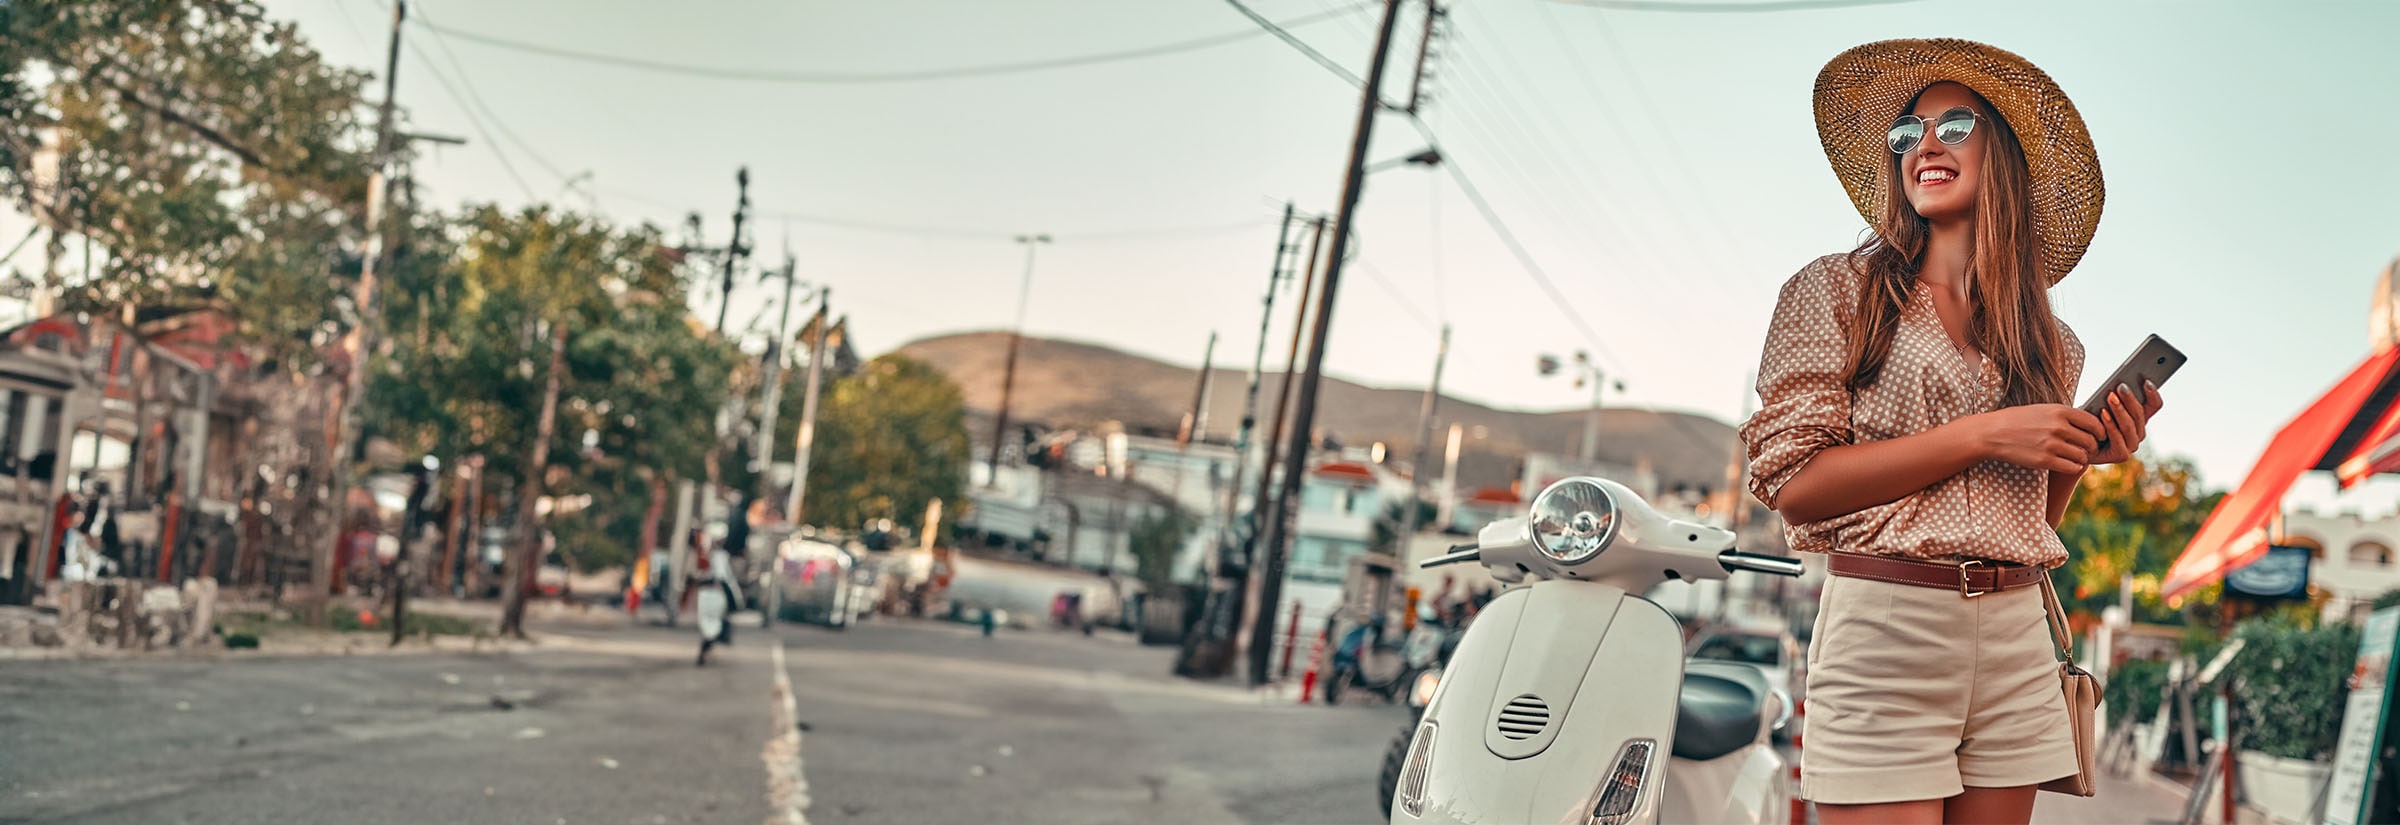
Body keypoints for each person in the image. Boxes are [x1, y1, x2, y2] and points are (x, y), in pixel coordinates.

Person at [1739, 40, 2165, 825]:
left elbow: (2024, 525)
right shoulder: (1838, 289)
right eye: (1906, 134)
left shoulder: (2051, 342)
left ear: (2002, 154)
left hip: (2015, 631)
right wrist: (1984, 434)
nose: (1924, 145)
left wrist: (2082, 459)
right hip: (1887, 624)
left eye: (1954, 124)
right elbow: (1797, 489)